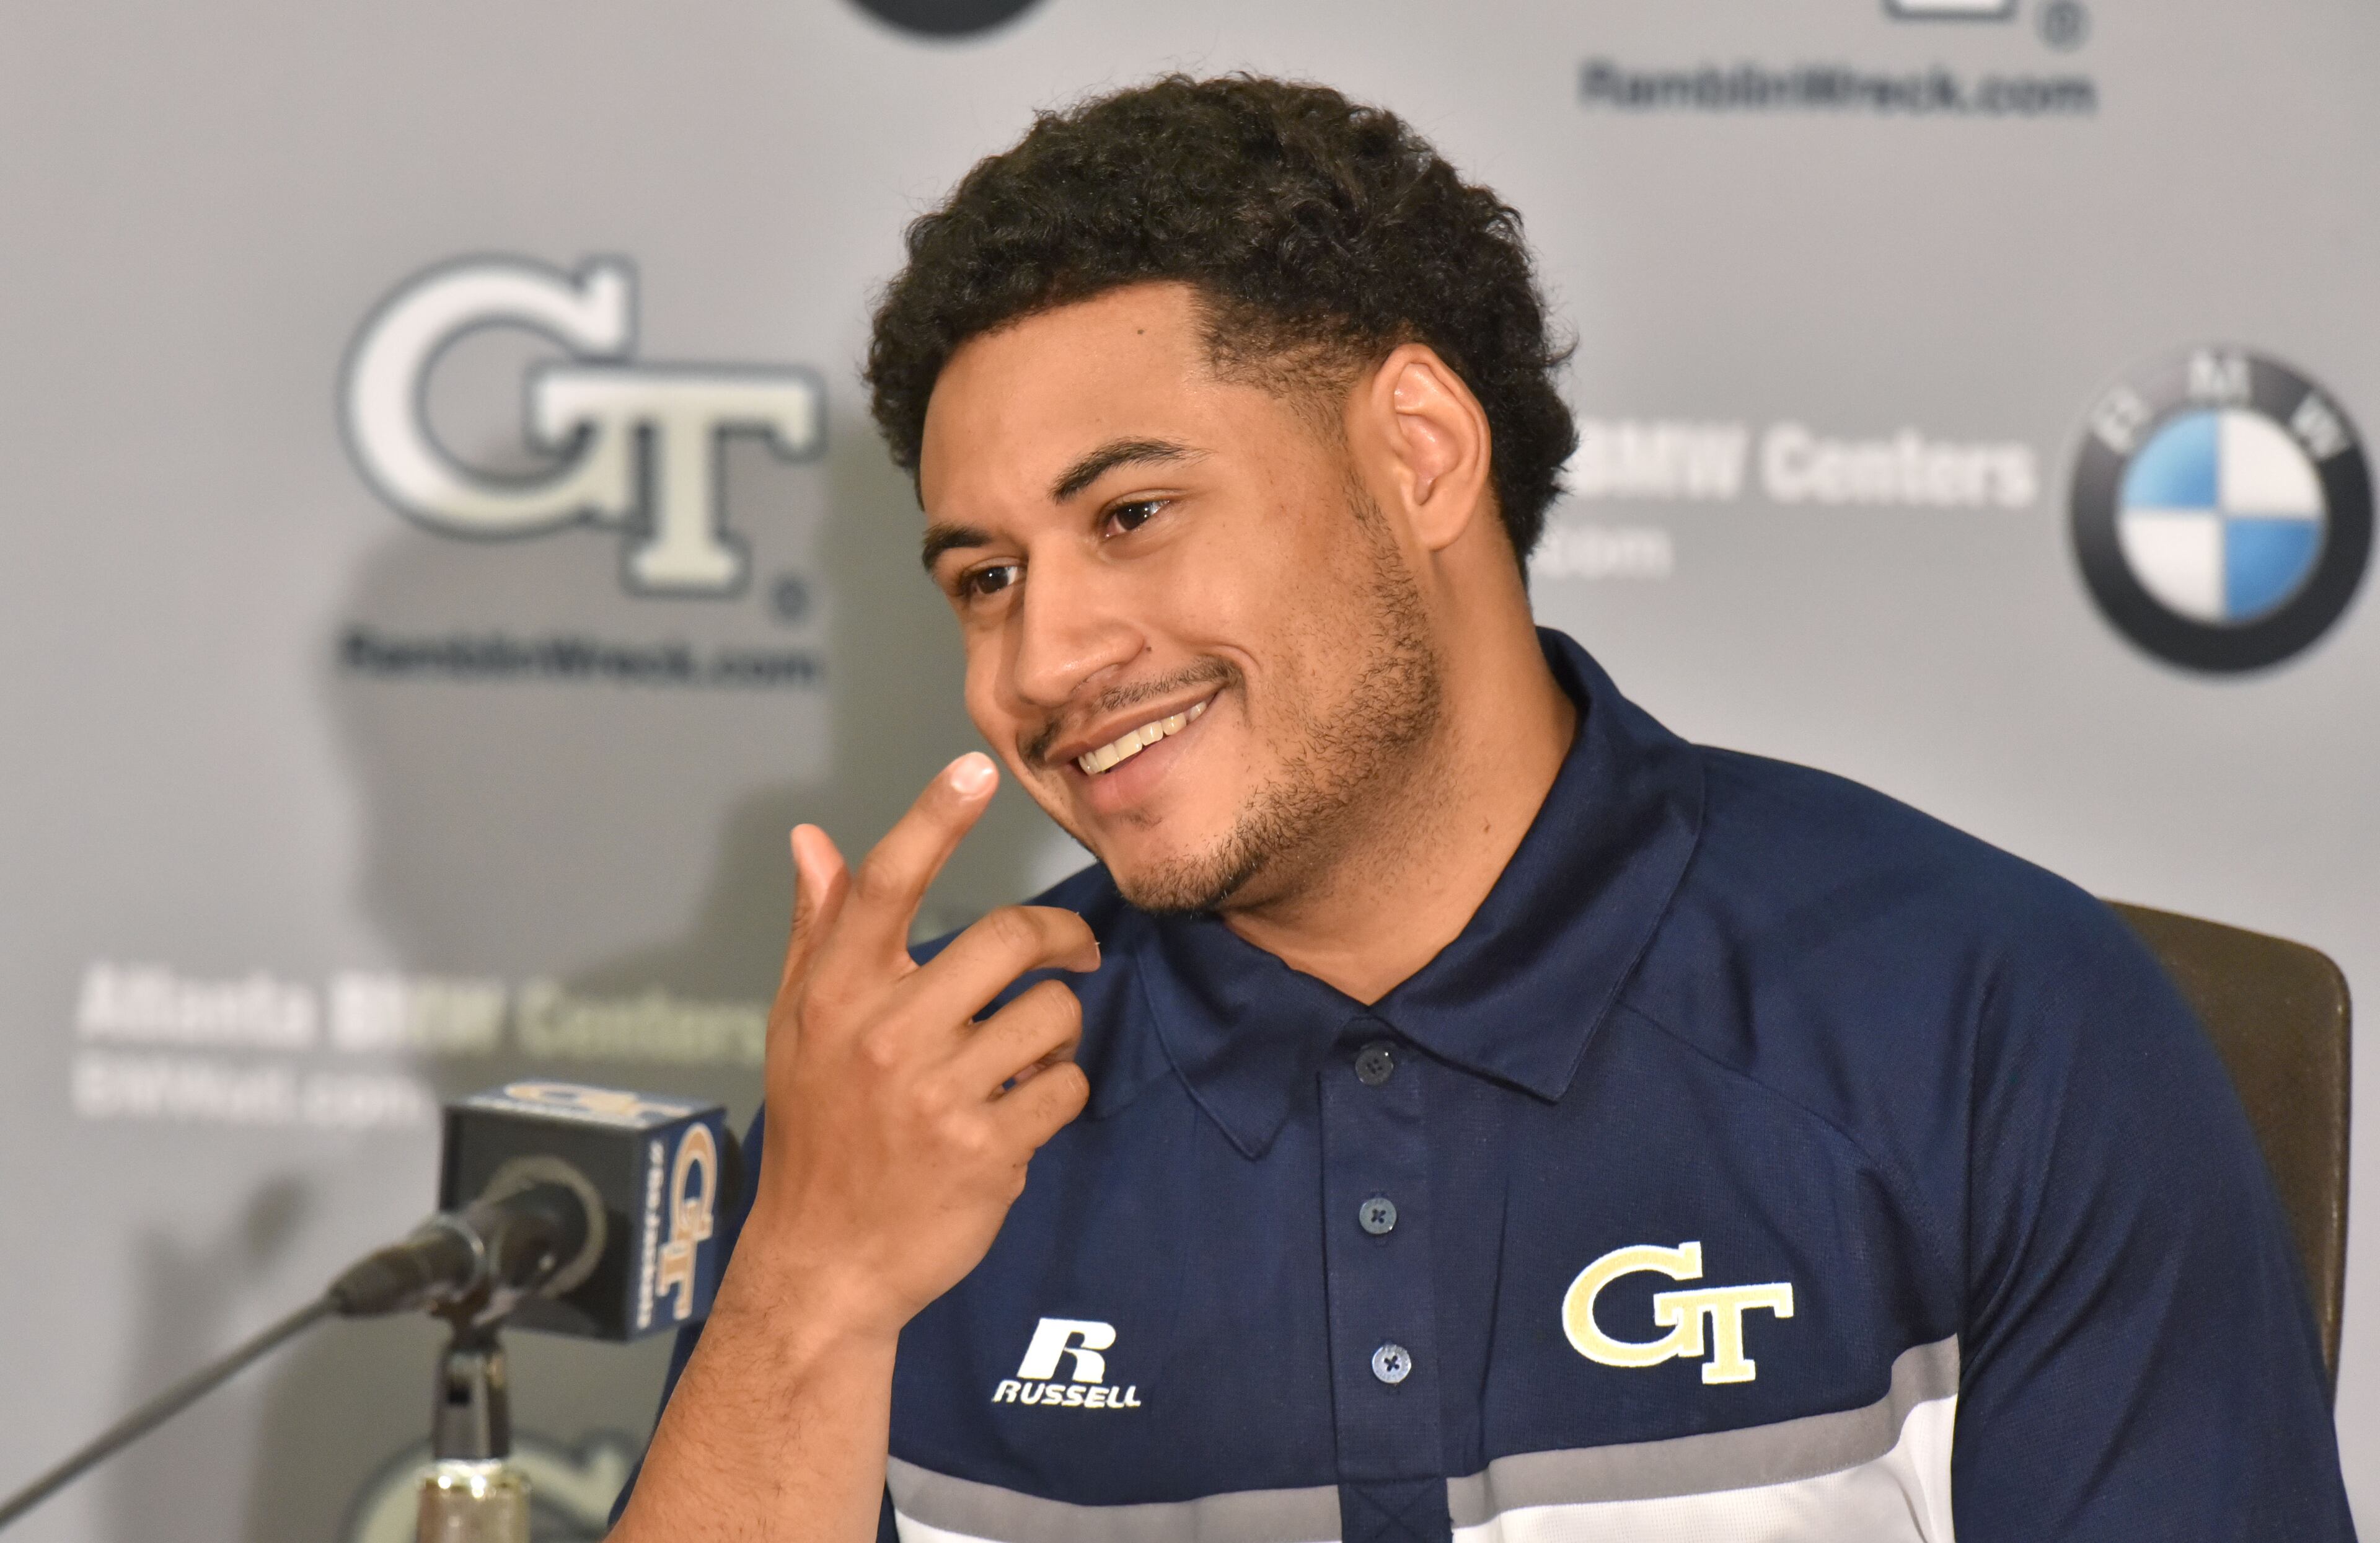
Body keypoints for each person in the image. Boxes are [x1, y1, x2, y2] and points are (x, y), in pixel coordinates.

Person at [607, 74, 2353, 1542]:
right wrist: (806, 1287)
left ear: (1423, 452)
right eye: (985, 575)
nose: (1040, 657)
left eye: (1131, 515)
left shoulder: (1990, 1020)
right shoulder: (926, 1109)